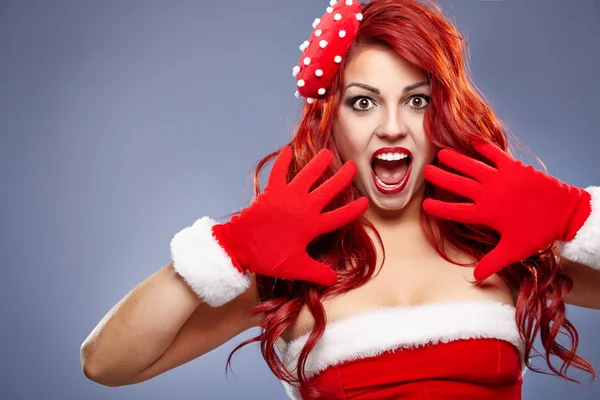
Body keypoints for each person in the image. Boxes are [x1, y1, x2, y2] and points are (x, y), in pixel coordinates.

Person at [80, 0, 600, 399]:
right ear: (332, 122)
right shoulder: (292, 270)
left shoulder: (500, 247)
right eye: (363, 103)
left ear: (441, 115)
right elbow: (106, 363)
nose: (392, 128)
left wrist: (577, 216)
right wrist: (228, 248)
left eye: (416, 101)